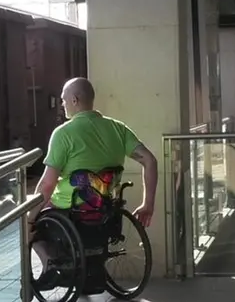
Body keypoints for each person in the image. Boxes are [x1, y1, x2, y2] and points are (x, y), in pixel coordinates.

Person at [27, 78, 158, 282]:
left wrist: (29, 217)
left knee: (25, 219)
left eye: (63, 100)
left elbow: (47, 184)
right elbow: (150, 160)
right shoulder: (117, 128)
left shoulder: (63, 134)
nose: (62, 105)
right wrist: (147, 204)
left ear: (75, 99)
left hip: (70, 210)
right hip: (105, 210)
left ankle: (48, 263)